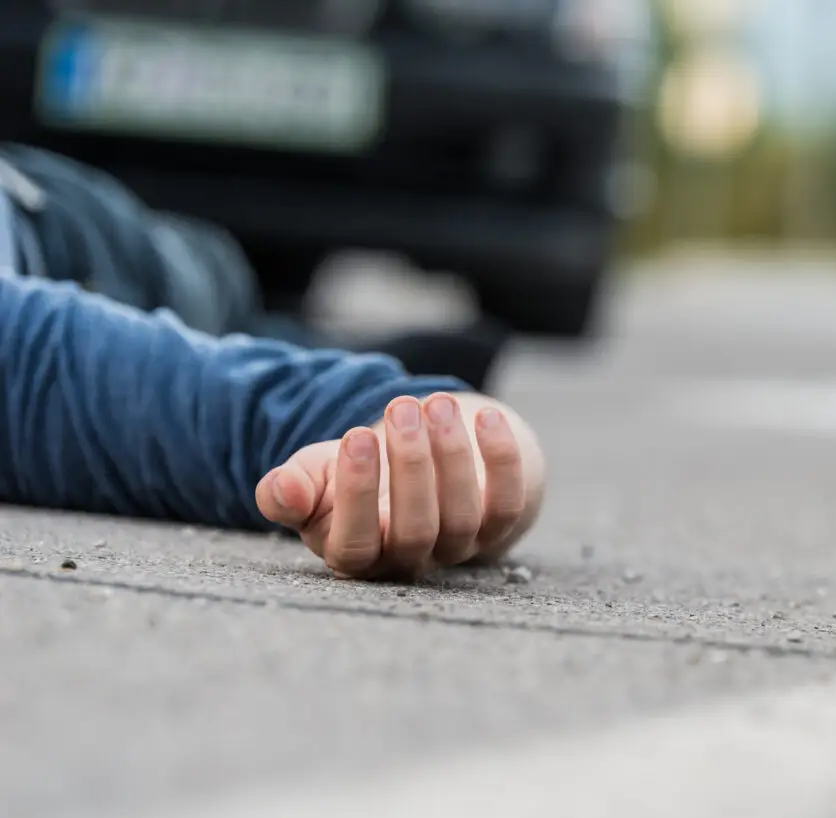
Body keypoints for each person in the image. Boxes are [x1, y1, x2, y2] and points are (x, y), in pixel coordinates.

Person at [0, 148, 545, 581]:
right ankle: (325, 342)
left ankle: (322, 342)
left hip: (85, 237)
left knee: (211, 289)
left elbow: (272, 415)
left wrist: (436, 449)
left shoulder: (29, 347)